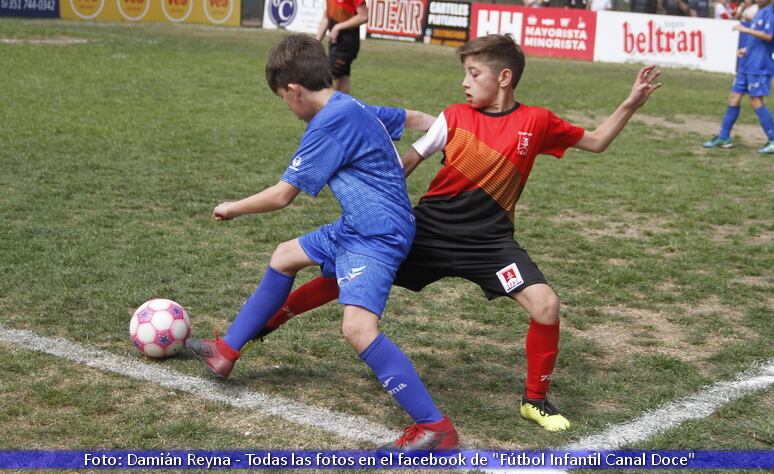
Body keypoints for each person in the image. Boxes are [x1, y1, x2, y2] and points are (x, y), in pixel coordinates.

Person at [234, 35, 662, 433]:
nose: (465, 83)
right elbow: (401, 166)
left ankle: (535, 400)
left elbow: (598, 141)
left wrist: (630, 103)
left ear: (504, 78)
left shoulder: (539, 121)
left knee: (546, 305)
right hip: (429, 232)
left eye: (474, 74)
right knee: (343, 273)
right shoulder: (453, 119)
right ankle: (264, 324)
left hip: (491, 244)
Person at [186, 34, 459, 451]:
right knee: (284, 256)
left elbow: (282, 196)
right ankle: (225, 351)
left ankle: (435, 428)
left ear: (294, 90)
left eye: (283, 98)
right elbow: (412, 116)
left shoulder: (331, 122)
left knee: (358, 329)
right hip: (359, 224)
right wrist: (447, 126)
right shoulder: (351, 106)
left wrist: (232, 207)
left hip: (378, 235)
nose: (287, 106)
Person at [703, 0, 774, 153]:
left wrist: (744, 29)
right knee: (734, 98)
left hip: (758, 66)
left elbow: (768, 36)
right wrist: (747, 49)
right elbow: (758, 41)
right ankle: (724, 137)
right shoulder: (758, 13)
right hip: (747, 64)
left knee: (756, 100)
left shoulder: (769, 13)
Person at [316, 0, 367, 94]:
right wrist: (316, 42)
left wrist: (338, 27)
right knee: (342, 84)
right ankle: (346, 108)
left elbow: (363, 16)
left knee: (322, 79)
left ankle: (322, 108)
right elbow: (326, 18)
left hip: (346, 45)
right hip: (335, 44)